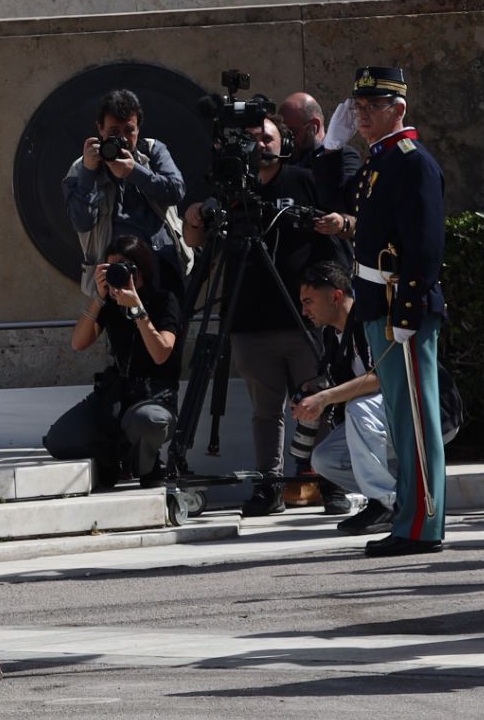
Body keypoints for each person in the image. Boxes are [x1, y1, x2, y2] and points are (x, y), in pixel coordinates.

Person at [181, 116, 327, 516]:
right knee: (266, 412)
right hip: (247, 319)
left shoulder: (301, 179)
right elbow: (197, 241)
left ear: (282, 144)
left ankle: (328, 480)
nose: (259, 145)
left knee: (318, 401)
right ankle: (270, 486)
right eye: (250, 139)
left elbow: (327, 239)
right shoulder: (228, 187)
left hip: (301, 317)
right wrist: (194, 217)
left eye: (267, 137)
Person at [346, 66, 448, 558]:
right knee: (399, 419)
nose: (362, 115)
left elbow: (425, 248)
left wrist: (405, 311)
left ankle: (421, 525)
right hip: (377, 302)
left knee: (415, 421)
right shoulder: (382, 160)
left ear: (398, 108)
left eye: (373, 106)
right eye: (358, 107)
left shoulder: (411, 162)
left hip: (397, 306)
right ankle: (410, 519)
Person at [43, 235, 182, 487]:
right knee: (58, 440)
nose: (118, 275)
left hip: (155, 396)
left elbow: (161, 354)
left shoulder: (164, 301)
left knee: (146, 420)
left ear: (140, 268)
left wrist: (137, 309)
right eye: (111, 269)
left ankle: (148, 466)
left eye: (123, 268)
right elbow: (78, 343)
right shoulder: (111, 304)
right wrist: (98, 297)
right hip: (117, 393)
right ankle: (112, 459)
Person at [292, 260, 393, 536]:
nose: (304, 310)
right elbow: (345, 378)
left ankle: (383, 502)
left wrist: (325, 397)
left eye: (309, 301)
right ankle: (400, 497)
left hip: (415, 411)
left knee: (359, 408)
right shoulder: (331, 334)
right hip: (380, 419)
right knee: (325, 458)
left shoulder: (370, 319)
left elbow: (382, 377)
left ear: (336, 296)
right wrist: (313, 390)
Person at [63, 88, 187, 291]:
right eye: (113, 132)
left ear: (138, 128)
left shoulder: (154, 151)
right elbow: (82, 222)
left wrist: (135, 172)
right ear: (100, 129)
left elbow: (176, 192)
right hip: (114, 276)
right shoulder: (81, 167)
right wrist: (89, 172)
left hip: (162, 266)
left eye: (129, 131)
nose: (122, 139)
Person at [278, 90, 362, 232]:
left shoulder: (346, 157)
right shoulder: (285, 157)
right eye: (281, 133)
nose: (286, 140)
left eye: (291, 132)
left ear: (314, 126)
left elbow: (348, 205)